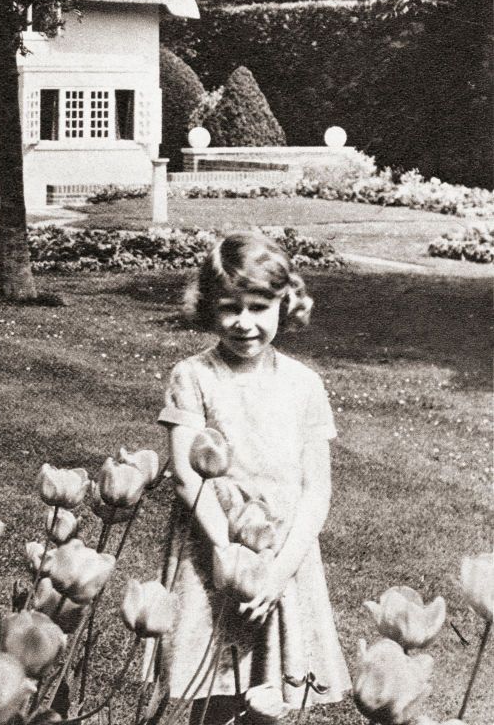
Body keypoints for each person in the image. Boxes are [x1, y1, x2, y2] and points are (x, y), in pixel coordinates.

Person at [154, 232, 351, 722]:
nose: (245, 323)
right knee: (213, 681)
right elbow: (185, 475)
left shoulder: (304, 385)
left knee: (273, 688)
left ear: (284, 305)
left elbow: (316, 490)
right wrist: (226, 551)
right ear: (207, 308)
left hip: (283, 551)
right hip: (212, 545)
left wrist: (280, 569)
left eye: (259, 307)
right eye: (229, 308)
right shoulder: (193, 376)